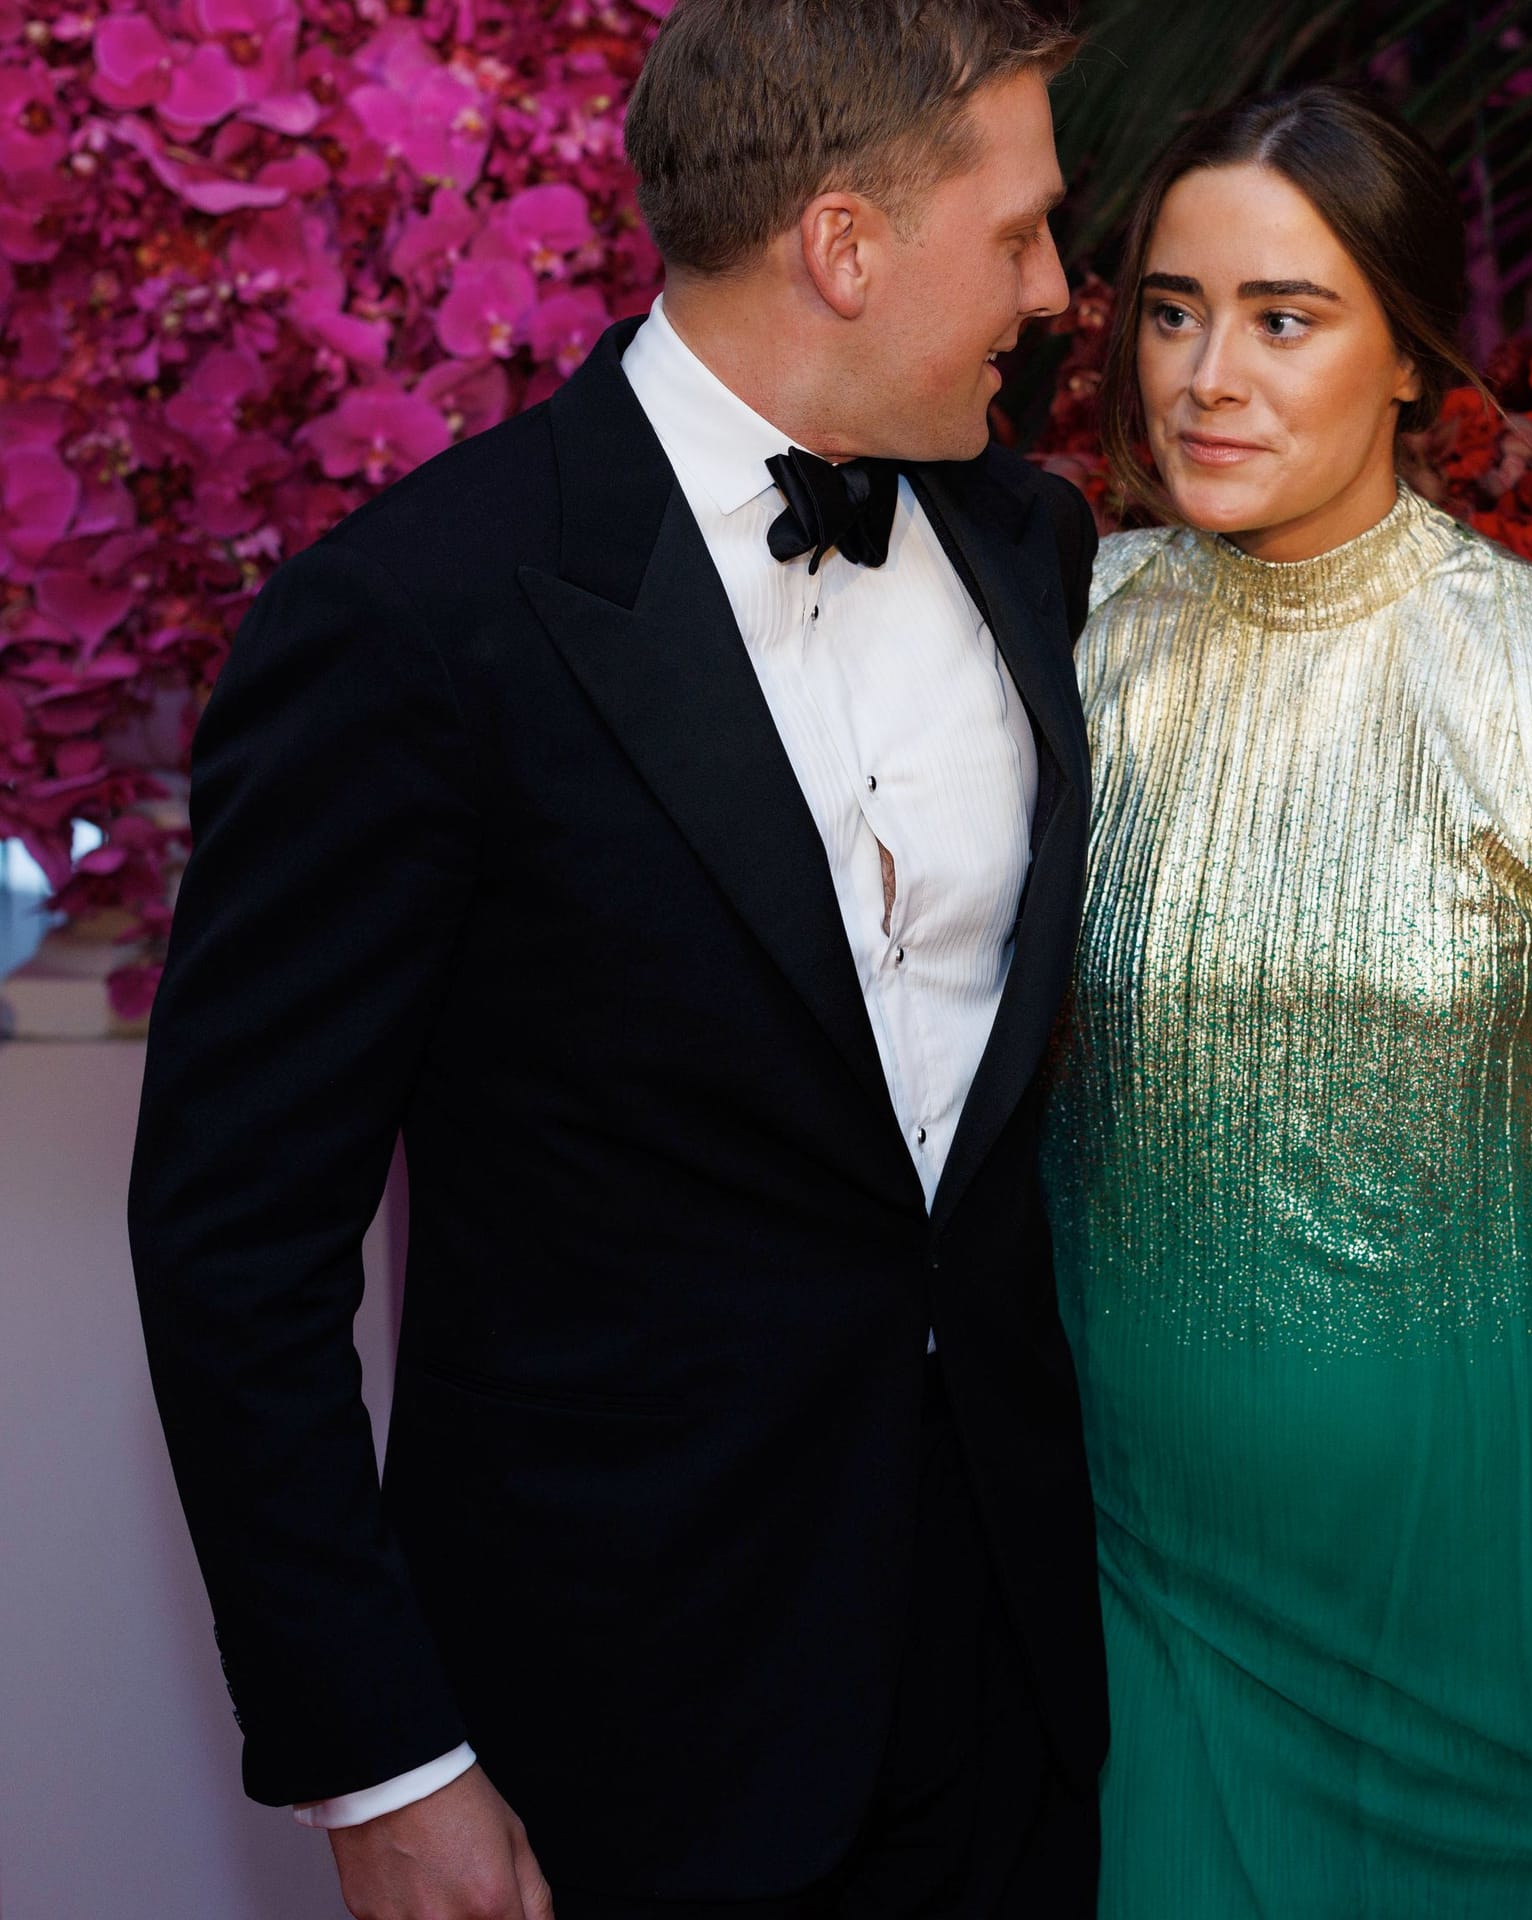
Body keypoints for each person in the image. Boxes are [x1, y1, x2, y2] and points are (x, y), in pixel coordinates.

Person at [126, 4, 1108, 1916]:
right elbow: (234, 1244)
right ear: (844, 246)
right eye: (1017, 236)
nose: (1058, 291)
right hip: (626, 1723)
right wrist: (385, 1765)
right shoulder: (411, 621)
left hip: (1012, 1688)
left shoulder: (1033, 542)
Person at [1042, 85, 1532, 1917]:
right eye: (1171, 309)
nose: (1207, 376)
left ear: (1410, 353)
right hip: (1153, 1581)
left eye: (1284, 317)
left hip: (1501, 1595)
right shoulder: (1065, 647)